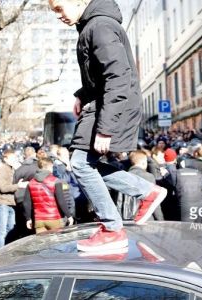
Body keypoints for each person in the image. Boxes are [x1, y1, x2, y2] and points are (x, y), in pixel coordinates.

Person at [49, 0, 166, 252]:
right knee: (84, 164)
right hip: (101, 104)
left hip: (109, 107)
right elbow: (101, 75)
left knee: (80, 163)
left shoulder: (99, 26)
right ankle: (145, 192)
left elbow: (118, 77)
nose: (58, 16)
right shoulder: (92, 26)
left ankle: (113, 227)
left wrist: (105, 127)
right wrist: (82, 93)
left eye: (59, 8)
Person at [23, 158, 75, 233]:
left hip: (39, 220)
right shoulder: (55, 181)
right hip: (55, 218)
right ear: (49, 167)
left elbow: (26, 203)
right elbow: (61, 201)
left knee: (43, 243)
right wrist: (69, 215)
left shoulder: (30, 183)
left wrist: (28, 218)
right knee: (57, 242)